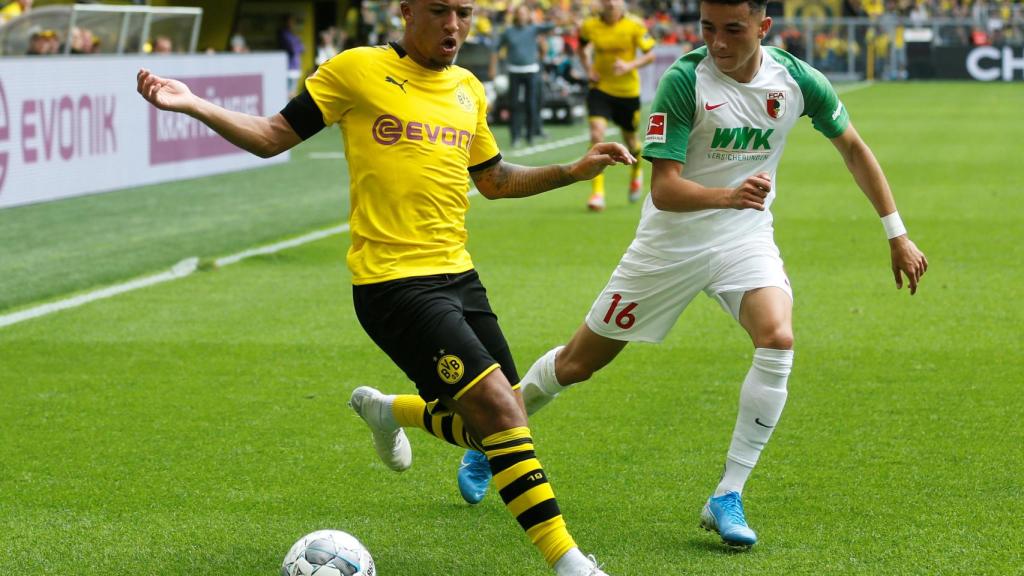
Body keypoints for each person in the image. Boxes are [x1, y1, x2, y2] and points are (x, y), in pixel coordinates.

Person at [135, 0, 634, 572]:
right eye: (440, 11)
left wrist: (572, 171)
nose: (454, 25)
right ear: (406, 12)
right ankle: (570, 563)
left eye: (465, 13)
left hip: (459, 276)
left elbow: (493, 181)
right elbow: (273, 135)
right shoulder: (356, 69)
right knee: (500, 413)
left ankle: (390, 412)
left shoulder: (469, 87)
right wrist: (193, 103)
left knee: (499, 422)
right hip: (393, 284)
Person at [456, 0, 929, 551]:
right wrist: (730, 195)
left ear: (763, 27)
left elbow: (853, 147)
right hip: (668, 245)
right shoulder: (686, 81)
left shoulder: (797, 80)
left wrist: (896, 232)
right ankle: (493, 437)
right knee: (577, 364)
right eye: (708, 28)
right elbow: (665, 189)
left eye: (733, 29)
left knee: (777, 337)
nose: (719, 41)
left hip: (742, 237)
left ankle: (727, 493)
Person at [578, 0, 656, 211]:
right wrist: (588, 68)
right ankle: (597, 193)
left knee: (631, 141)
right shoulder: (589, 25)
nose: (611, 3)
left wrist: (629, 65)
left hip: (627, 92)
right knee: (596, 135)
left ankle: (636, 170)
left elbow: (650, 54)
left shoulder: (635, 25)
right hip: (600, 88)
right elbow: (581, 47)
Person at [492, 3, 554, 148]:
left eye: (525, 13)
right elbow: (496, 48)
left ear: (528, 15)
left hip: (531, 71)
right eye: (519, 13)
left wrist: (536, 19)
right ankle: (515, 136)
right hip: (514, 71)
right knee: (513, 105)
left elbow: (550, 25)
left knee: (531, 104)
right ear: (516, 15)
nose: (522, 16)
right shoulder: (509, 31)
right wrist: (492, 68)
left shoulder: (533, 29)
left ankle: (530, 135)